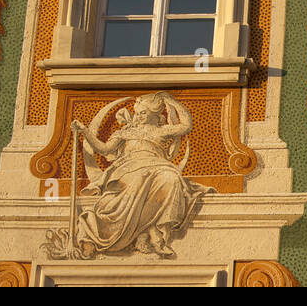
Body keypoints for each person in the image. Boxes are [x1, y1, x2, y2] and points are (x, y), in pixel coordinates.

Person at [49, 92, 210, 259]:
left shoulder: (162, 131)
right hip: (129, 170)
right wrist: (84, 131)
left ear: (155, 114)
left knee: (172, 179)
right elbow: (104, 149)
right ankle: (151, 233)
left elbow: (186, 126)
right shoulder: (125, 133)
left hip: (158, 167)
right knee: (141, 178)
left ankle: (149, 233)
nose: (138, 117)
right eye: (137, 113)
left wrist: (171, 100)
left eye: (143, 113)